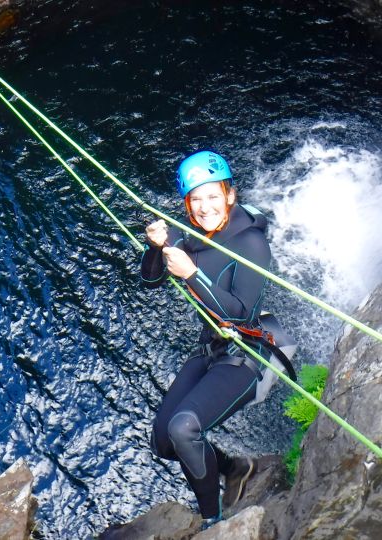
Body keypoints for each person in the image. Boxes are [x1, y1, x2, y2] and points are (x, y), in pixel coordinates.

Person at [141, 150, 273, 529]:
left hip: (246, 354)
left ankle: (212, 521)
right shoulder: (193, 236)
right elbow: (149, 283)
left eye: (213, 196)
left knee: (184, 428)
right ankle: (235, 468)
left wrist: (193, 274)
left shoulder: (251, 244)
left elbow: (242, 313)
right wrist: (156, 248)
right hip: (211, 349)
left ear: (229, 195)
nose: (204, 207)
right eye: (195, 199)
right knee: (164, 442)